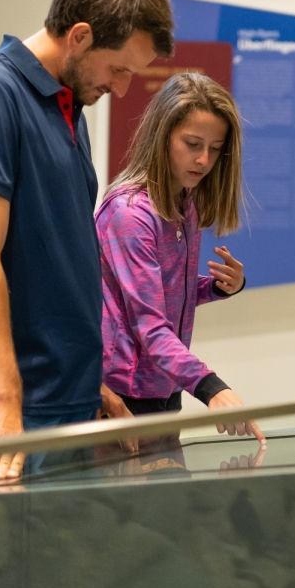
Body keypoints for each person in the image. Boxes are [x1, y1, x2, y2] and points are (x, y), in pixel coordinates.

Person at [0, 0, 175, 485]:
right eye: (120, 68)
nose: (125, 87)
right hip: (7, 407)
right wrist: (2, 398)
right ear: (80, 36)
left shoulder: (68, 114)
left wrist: (92, 385)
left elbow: (61, 261)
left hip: (65, 397)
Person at [96, 72, 264, 443]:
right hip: (124, 397)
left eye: (215, 148)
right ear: (163, 135)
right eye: (192, 143)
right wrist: (211, 387)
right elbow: (149, 324)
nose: (203, 160)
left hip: (164, 386)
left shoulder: (183, 203)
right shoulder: (129, 213)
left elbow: (168, 289)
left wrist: (217, 288)